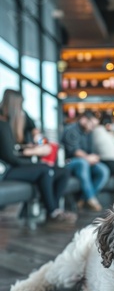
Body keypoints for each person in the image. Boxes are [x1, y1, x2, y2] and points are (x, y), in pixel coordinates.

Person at [0, 89, 76, 223]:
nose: (22, 108)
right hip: (8, 168)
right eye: (20, 104)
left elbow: (37, 133)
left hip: (21, 162)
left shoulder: (22, 117)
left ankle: (54, 208)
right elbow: (10, 156)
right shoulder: (2, 123)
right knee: (45, 169)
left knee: (63, 171)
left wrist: (40, 141)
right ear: (14, 104)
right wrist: (30, 153)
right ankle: (52, 212)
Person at [61, 112, 110, 211]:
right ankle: (91, 199)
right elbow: (74, 151)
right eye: (91, 124)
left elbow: (89, 151)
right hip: (68, 162)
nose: (93, 127)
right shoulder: (71, 130)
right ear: (83, 120)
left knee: (103, 169)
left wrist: (93, 158)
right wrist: (88, 158)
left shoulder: (88, 133)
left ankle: (83, 199)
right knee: (82, 163)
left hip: (84, 161)